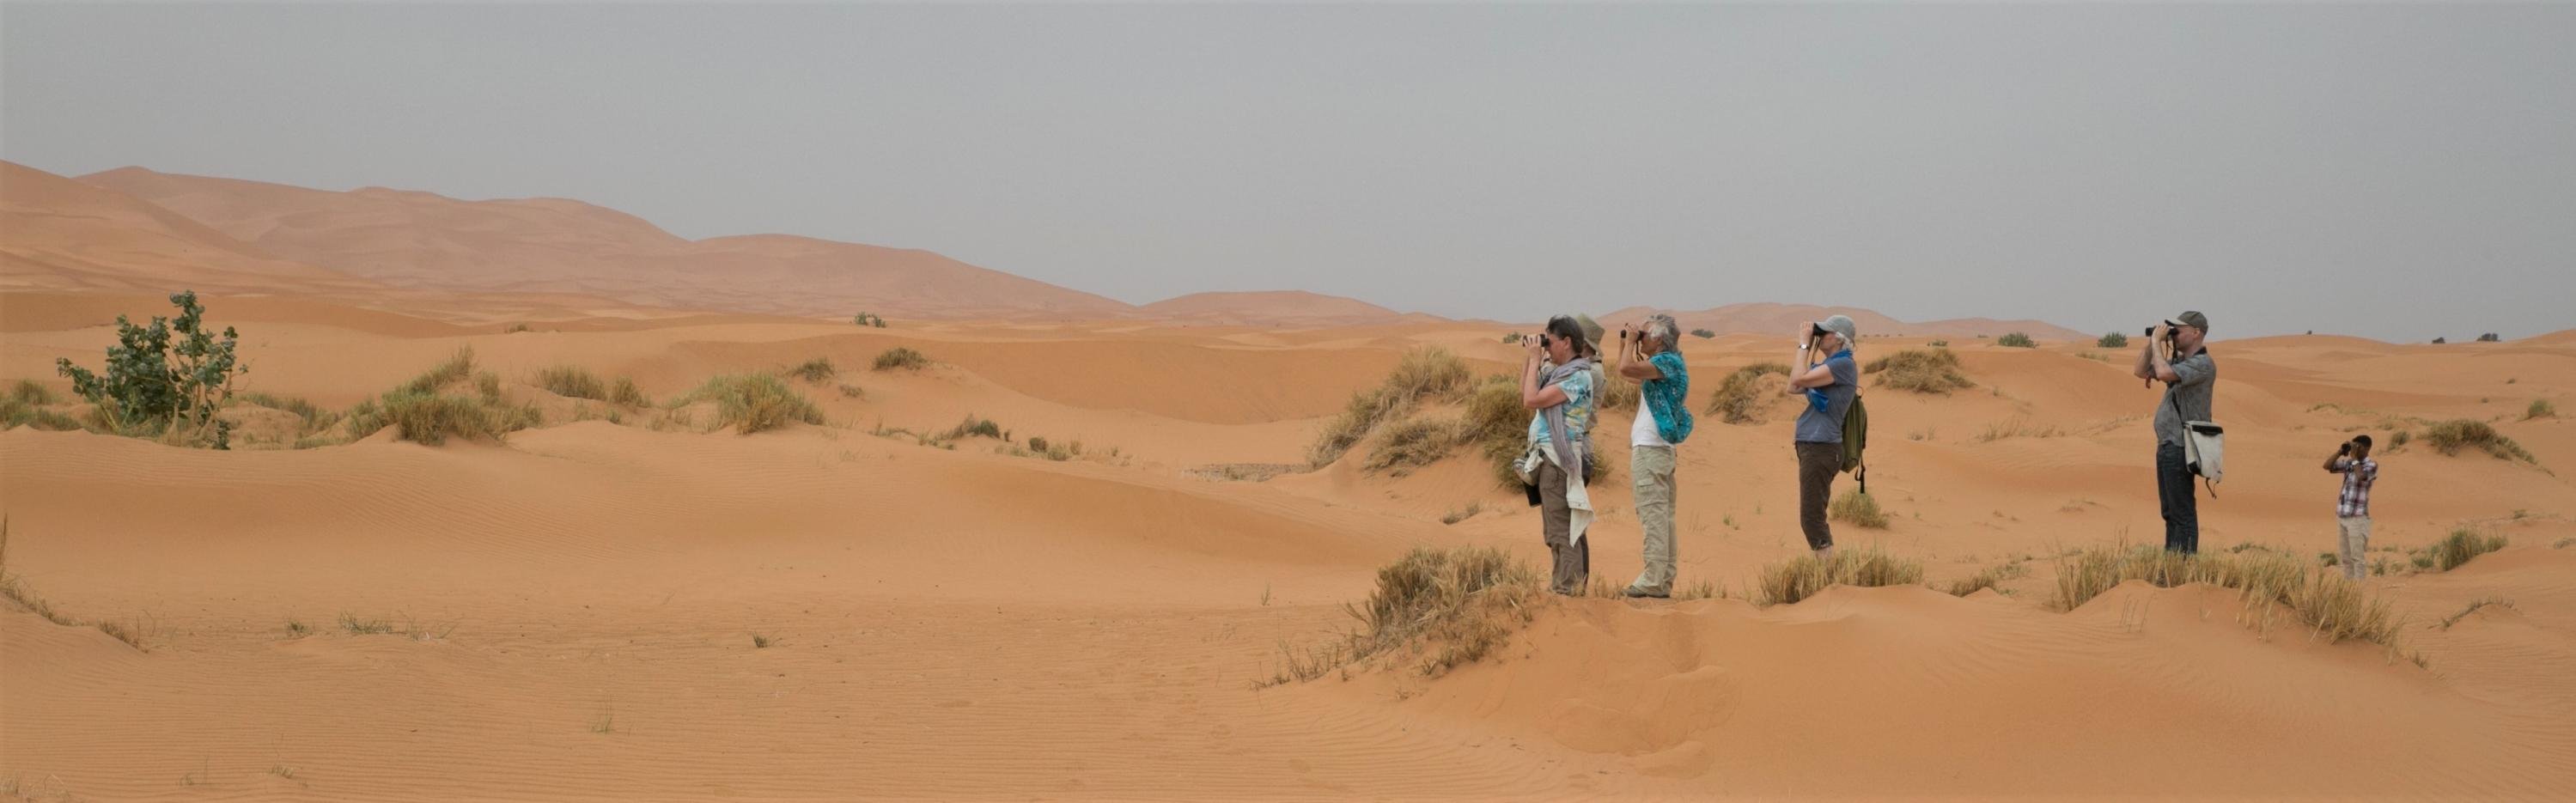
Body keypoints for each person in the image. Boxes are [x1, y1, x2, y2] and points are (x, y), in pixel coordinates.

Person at [1615, 313, 1693, 598]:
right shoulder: (1666, 365)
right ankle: (1662, 580)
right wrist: (1625, 342)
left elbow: (1626, 366)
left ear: (1659, 338)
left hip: (1651, 450)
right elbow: (1624, 371)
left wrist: (1629, 345)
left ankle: (1652, 579)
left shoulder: (1666, 363)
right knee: (1664, 516)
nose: (1641, 338)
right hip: (1658, 450)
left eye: (1645, 334)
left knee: (1653, 515)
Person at [1521, 315, 1599, 595]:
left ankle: (1566, 592)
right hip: (1551, 458)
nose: (1548, 348)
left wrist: (1533, 361)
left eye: (1550, 342)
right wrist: (1531, 359)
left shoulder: (1577, 376)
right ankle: (1570, 587)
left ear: (1566, 342)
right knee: (1567, 529)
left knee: (1561, 531)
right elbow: (1526, 392)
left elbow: (1532, 400)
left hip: (1557, 461)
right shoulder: (1561, 373)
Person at [2134, 311, 2216, 554]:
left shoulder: (2203, 364)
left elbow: (2162, 373)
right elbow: (2140, 371)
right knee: (2169, 511)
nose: (2175, 334)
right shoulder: (2180, 363)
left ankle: (2184, 566)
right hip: (2168, 444)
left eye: (2179, 330)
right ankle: (2173, 562)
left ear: (2196, 332)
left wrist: (2159, 346)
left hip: (2182, 445)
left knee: (2182, 512)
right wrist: (2152, 343)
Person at [1784, 314, 1859, 561]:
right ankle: (1827, 573)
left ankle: (1828, 576)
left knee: (1812, 517)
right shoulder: (1824, 368)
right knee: (1812, 514)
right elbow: (1793, 387)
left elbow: (1797, 379)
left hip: (1823, 447)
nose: (1818, 336)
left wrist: (1804, 345)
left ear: (1838, 339)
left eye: (1823, 332)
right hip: (1812, 446)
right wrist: (1806, 350)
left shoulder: (1843, 365)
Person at [2323, 435, 2379, 581]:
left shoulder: (2371, 465)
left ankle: (2359, 590)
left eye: (2357, 447)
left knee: (2357, 557)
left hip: (2357, 518)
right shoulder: (2350, 463)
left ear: (2367, 448)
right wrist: (2341, 451)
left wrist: (2354, 458)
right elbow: (2327, 466)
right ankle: (2349, 589)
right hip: (2343, 515)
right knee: (2345, 558)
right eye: (2353, 446)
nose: (2355, 449)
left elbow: (2361, 476)